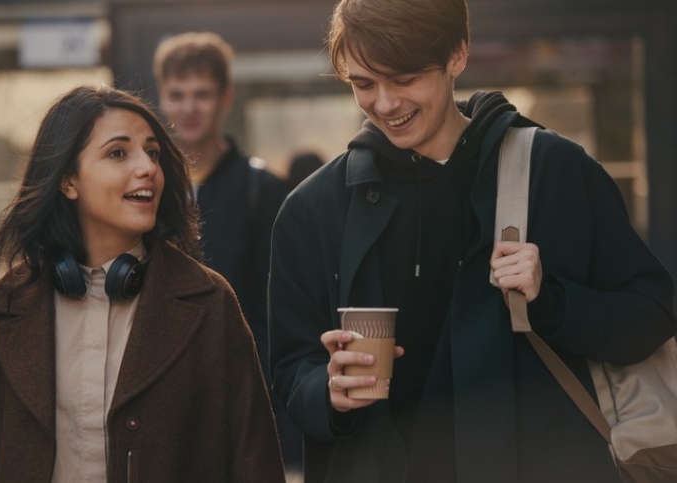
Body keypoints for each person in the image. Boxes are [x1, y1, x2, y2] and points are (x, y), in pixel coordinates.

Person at [268, 1, 677, 482]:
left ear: (457, 55)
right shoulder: (313, 208)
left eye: (404, 79)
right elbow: (291, 369)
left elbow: (652, 314)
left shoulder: (554, 171)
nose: (384, 103)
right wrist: (327, 391)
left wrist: (554, 302)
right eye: (363, 84)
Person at [0, 85, 285, 483]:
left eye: (152, 152)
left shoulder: (208, 302)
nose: (148, 168)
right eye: (118, 153)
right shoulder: (0, 311)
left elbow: (253, 461)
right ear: (68, 180)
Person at [152, 31, 297, 470]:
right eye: (177, 95)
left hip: (241, 393)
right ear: (161, 98)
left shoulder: (262, 190)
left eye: (202, 94)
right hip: (161, 397)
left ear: (225, 98)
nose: (188, 108)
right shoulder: (144, 188)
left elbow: (279, 309)